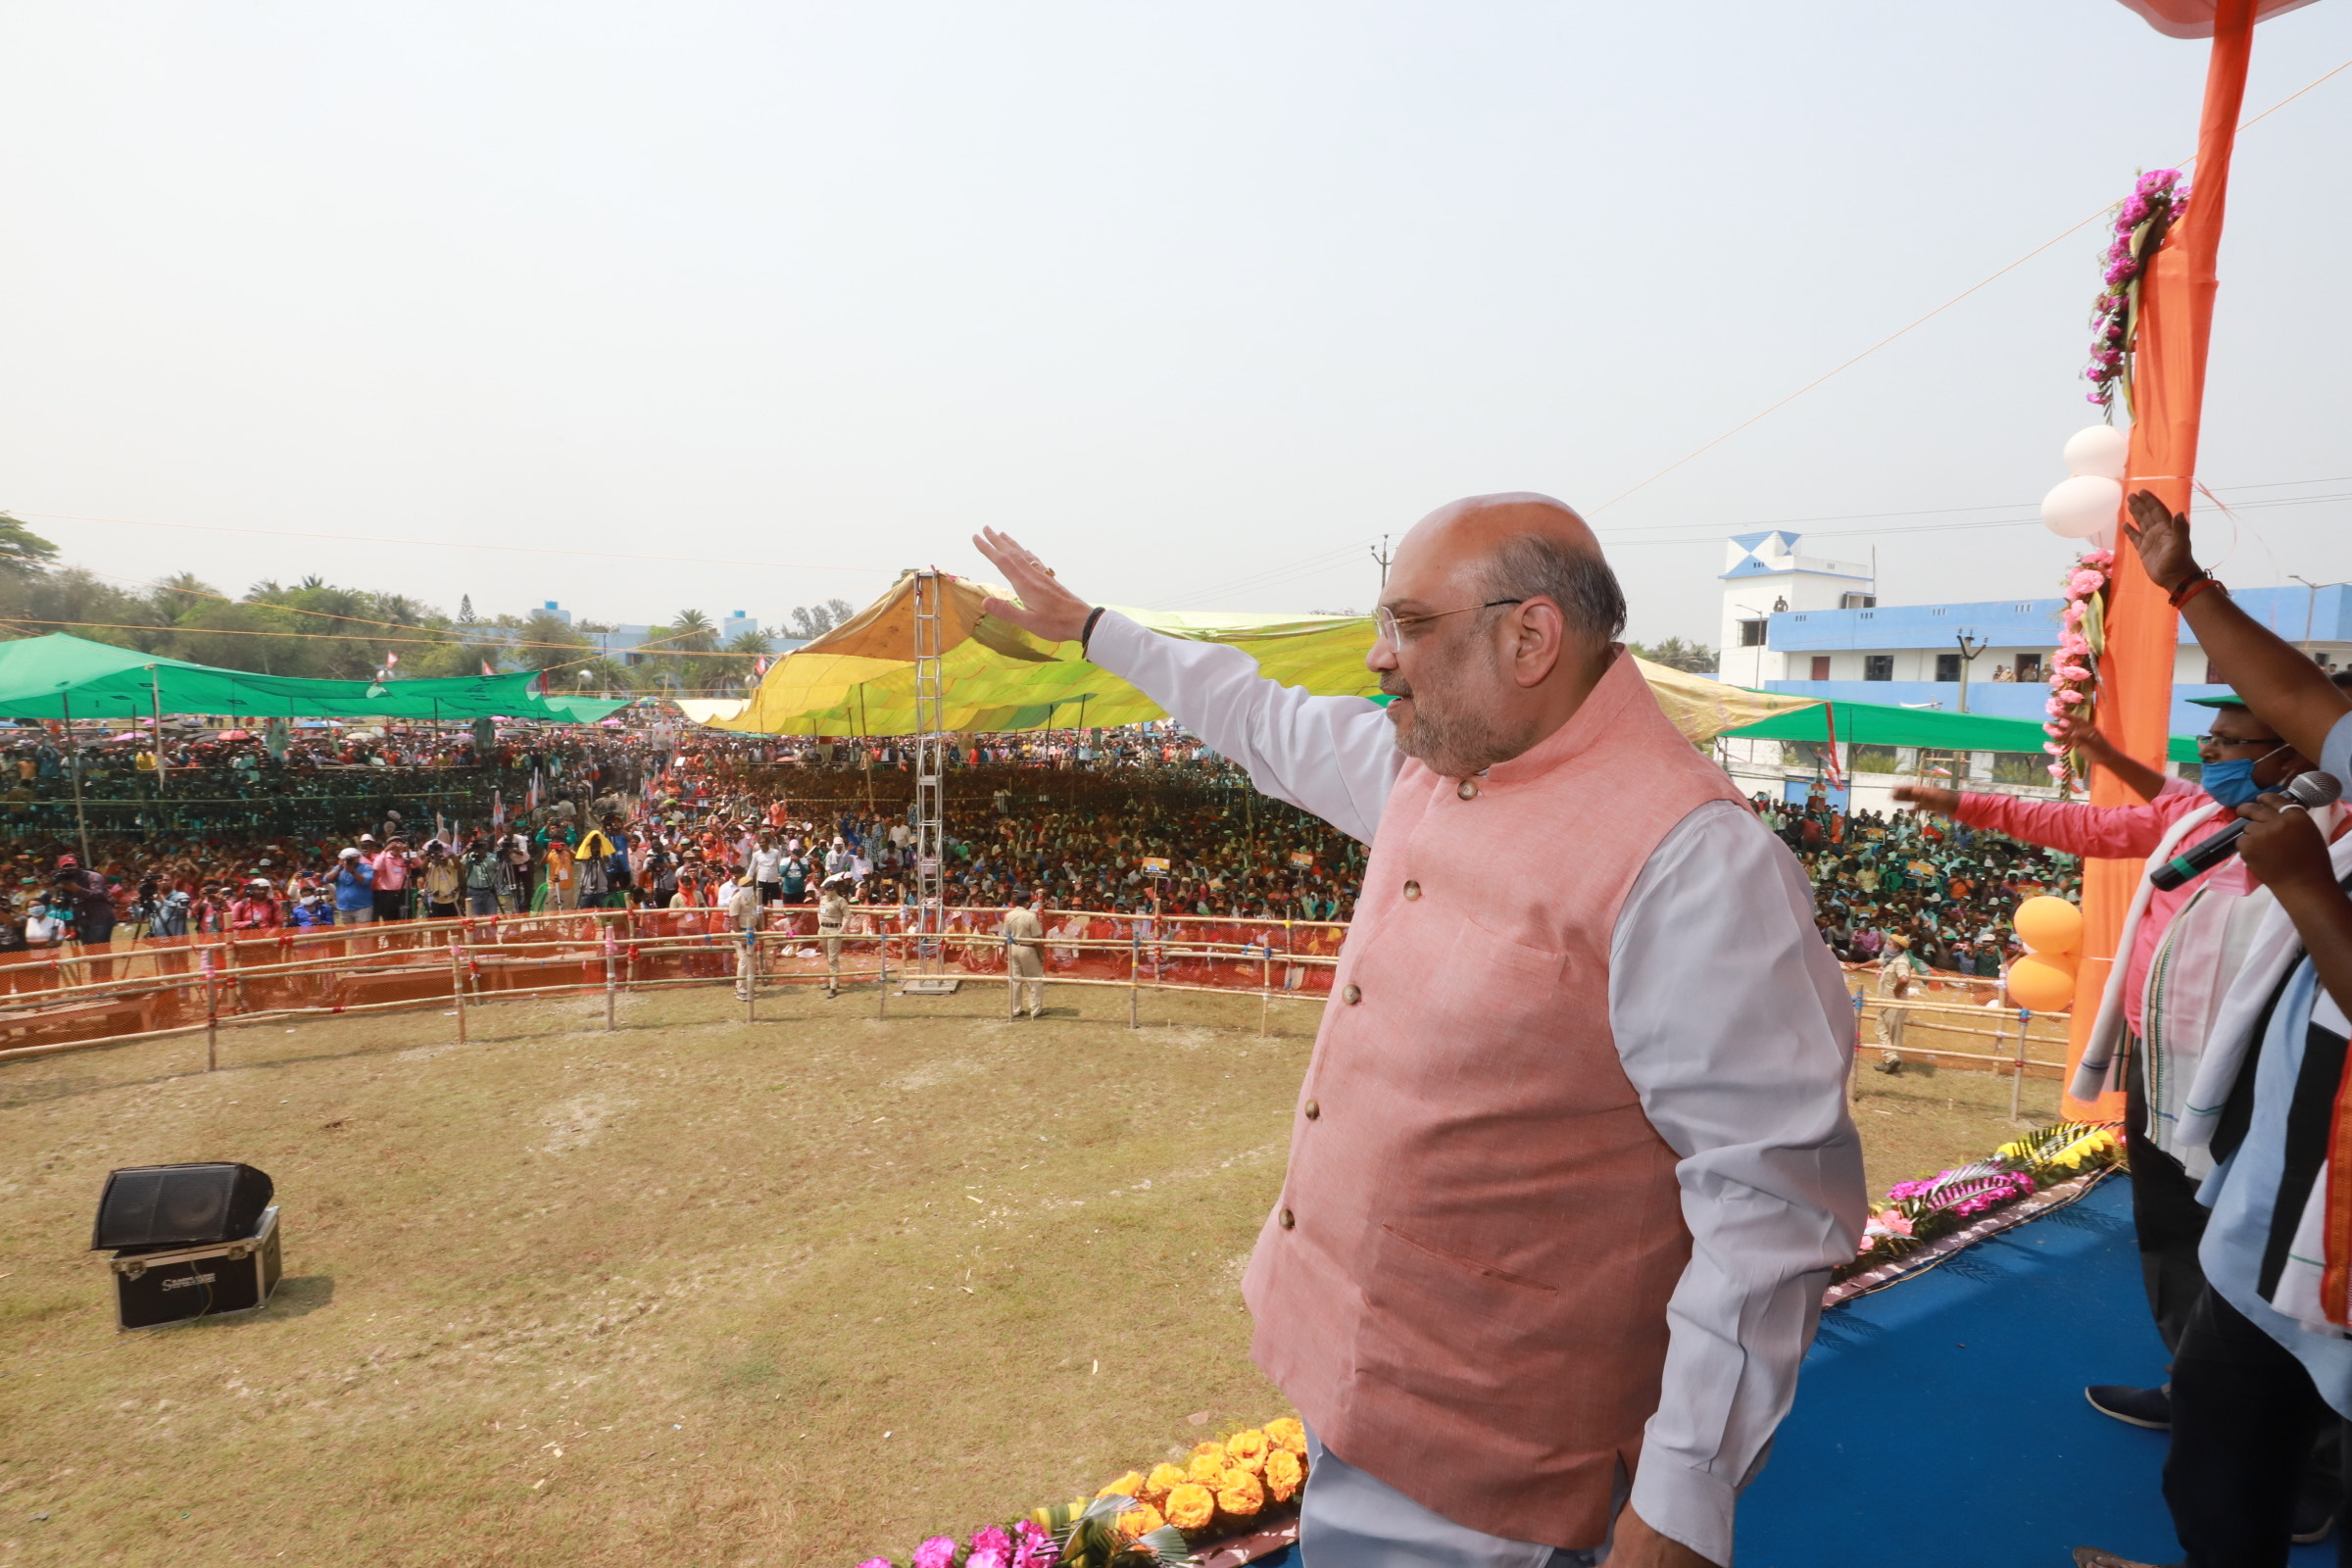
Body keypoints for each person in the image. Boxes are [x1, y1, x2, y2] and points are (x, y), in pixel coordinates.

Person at [975, 495, 1864, 1568]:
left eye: (1408, 624)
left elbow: (1769, 1205)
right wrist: (1089, 628)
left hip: (1507, 1472)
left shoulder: (1696, 865)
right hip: (1364, 1397)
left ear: (1529, 636)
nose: (1378, 656)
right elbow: (1256, 714)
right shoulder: (1429, 766)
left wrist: (1680, 1505)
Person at [2072, 491, 2352, 1568]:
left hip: (2327, 1209)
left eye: (2243, 739)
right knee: (2223, 1446)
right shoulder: (2255, 800)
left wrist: (2309, 893)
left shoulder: (2296, 839)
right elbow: (2292, 690)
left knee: (2263, 1446)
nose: (2224, 750)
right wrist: (2186, 585)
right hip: (2271, 1183)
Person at [1003, 888, 1046, 1018]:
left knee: (1016, 980)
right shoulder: (1030, 916)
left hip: (1013, 947)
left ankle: (1016, 1010)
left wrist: (1006, 951)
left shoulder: (1009, 915)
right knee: (1035, 979)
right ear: (1027, 903)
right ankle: (1035, 1010)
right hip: (1028, 949)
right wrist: (1042, 954)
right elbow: (1037, 938)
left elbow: (1007, 935)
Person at [816, 876, 850, 999]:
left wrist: (841, 930)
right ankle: (832, 980)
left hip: (834, 929)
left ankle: (833, 987)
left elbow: (848, 916)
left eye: (830, 890)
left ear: (834, 890)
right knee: (827, 956)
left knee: (833, 958)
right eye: (826, 890)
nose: (828, 892)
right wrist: (820, 923)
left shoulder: (840, 900)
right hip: (823, 929)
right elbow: (819, 912)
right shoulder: (823, 899)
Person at [330, 847, 375, 926]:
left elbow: (366, 881)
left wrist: (352, 871)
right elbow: (326, 879)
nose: (348, 861)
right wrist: (339, 869)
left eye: (351, 859)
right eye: (345, 859)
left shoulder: (366, 868)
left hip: (362, 907)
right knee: (351, 935)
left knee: (363, 934)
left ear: (358, 857)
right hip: (344, 907)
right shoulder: (338, 869)